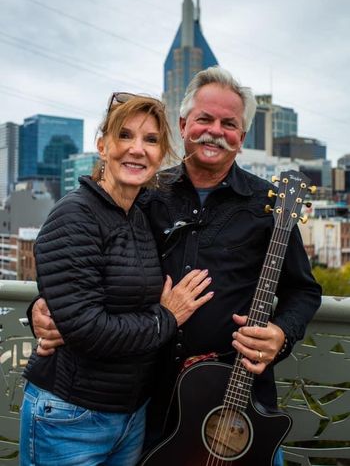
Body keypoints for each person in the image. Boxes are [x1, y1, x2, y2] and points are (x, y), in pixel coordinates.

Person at [31, 67, 322, 466]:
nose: (215, 131)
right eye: (204, 119)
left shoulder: (269, 203)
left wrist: (281, 334)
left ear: (242, 136)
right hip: (155, 404)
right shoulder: (147, 193)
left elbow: (303, 290)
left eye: (229, 124)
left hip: (238, 407)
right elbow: (87, 265)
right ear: (184, 125)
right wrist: (40, 309)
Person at [19, 93, 214, 466]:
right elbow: (88, 330)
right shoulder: (75, 215)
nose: (137, 150)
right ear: (102, 145)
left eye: (151, 140)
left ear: (161, 155)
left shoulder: (139, 216)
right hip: (68, 418)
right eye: (125, 136)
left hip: (130, 417)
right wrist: (166, 317)